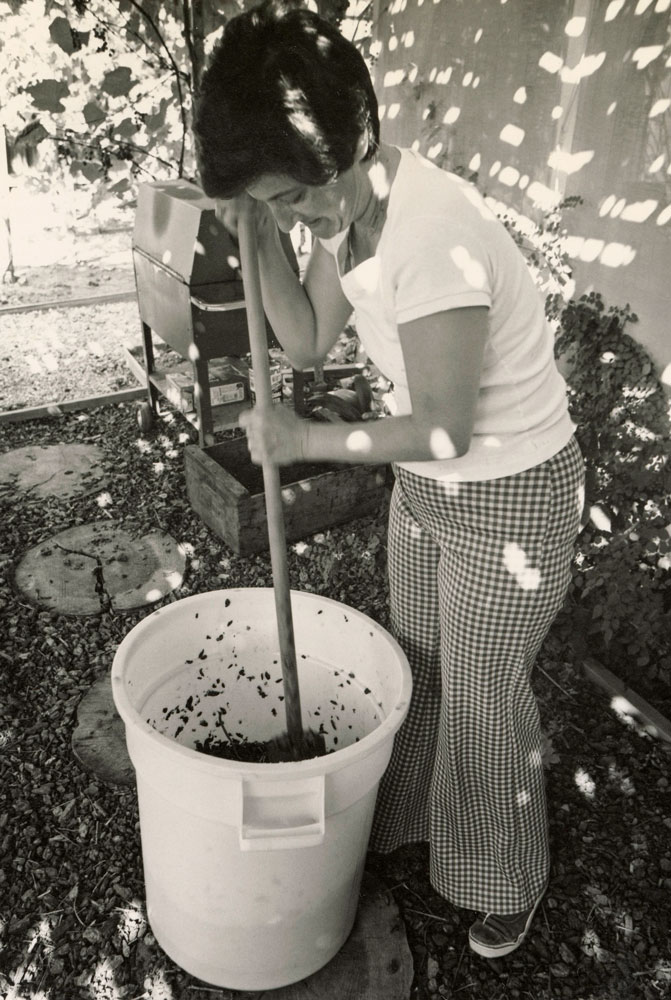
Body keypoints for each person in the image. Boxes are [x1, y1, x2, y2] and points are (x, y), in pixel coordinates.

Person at [194, 0, 584, 959]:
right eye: (276, 200)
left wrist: (302, 440)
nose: (296, 216)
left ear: (355, 139)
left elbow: (446, 431)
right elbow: (306, 335)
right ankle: (414, 827)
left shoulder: (429, 236)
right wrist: (252, 233)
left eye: (294, 198)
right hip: (430, 490)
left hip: (512, 497)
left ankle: (502, 878)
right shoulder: (341, 211)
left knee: (485, 692)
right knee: (415, 663)